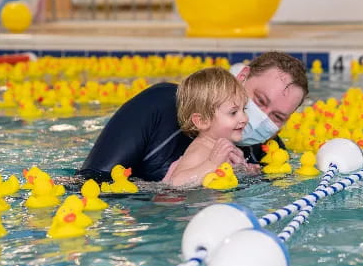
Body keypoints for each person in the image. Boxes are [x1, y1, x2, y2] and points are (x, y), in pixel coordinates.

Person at [77, 51, 308, 182]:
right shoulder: (159, 106)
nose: (256, 118)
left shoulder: (271, 155)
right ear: (242, 77)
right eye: (259, 100)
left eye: (277, 117)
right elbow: (90, 183)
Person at [162, 67, 249, 186]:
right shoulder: (200, 151)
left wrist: (244, 169)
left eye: (244, 109)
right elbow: (176, 183)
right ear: (202, 121)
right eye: (233, 113)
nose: (244, 119)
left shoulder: (223, 148)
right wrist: (211, 164)